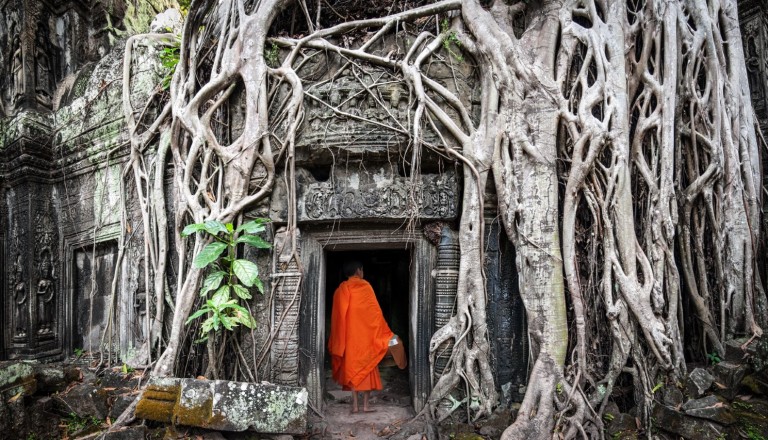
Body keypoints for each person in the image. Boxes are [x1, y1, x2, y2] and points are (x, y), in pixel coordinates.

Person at [328, 260, 394, 413]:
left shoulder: (340, 291)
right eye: (362, 270)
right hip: (365, 339)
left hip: (349, 340)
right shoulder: (365, 287)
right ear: (359, 271)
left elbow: (336, 319)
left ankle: (355, 406)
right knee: (367, 368)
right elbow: (375, 315)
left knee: (352, 369)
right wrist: (385, 333)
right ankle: (365, 406)